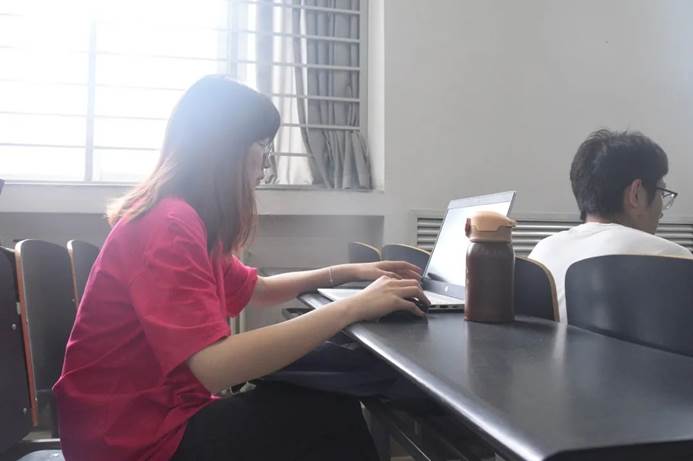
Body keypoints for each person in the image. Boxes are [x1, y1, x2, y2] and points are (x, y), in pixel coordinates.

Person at [53, 75, 428, 461]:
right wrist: (352, 307)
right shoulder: (169, 226)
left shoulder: (184, 219)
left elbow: (258, 289)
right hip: (128, 441)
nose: (266, 163)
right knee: (329, 411)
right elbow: (214, 366)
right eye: (262, 146)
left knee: (320, 399)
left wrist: (348, 273)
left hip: (139, 421)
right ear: (227, 149)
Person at [529, 129, 691, 322]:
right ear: (636, 193)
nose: (661, 210)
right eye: (661, 192)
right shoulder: (671, 259)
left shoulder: (543, 251)